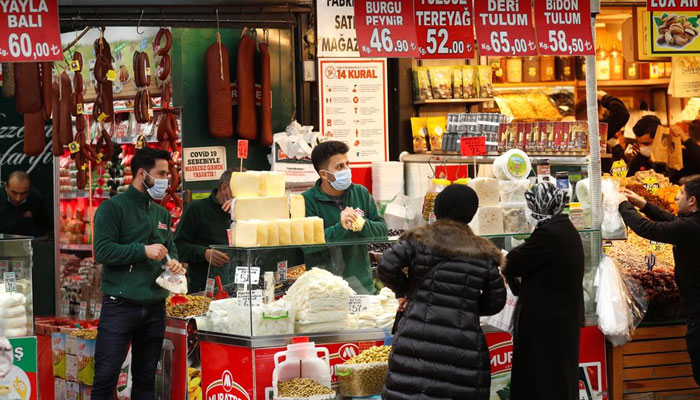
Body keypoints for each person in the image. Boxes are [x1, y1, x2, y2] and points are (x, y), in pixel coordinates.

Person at [378, 184, 505, 400]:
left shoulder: (418, 239)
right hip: (463, 347)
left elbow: (386, 265)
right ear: (471, 213)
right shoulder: (483, 252)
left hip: (415, 338)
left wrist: (406, 290)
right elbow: (496, 301)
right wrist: (468, 306)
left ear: (438, 208)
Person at [92, 147, 185, 400]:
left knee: (146, 378)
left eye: (168, 174)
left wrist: (174, 263)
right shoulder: (112, 209)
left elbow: (171, 249)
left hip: (155, 306)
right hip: (120, 306)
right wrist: (142, 251)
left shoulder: (162, 213)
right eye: (161, 174)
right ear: (142, 174)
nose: (167, 180)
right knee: (105, 376)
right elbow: (102, 251)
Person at [503, 182, 584, 400]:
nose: (526, 211)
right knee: (556, 379)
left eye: (528, 205)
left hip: (548, 327)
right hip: (558, 323)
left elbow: (511, 263)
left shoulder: (549, 234)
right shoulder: (562, 228)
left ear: (539, 206)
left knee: (543, 382)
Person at [618, 175, 700, 385]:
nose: (675, 197)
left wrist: (622, 206)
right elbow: (673, 221)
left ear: (692, 201)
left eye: (681, 194)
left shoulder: (691, 228)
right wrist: (643, 204)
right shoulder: (692, 224)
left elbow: (647, 229)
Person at [302, 141, 388, 294]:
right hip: (323, 291)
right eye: (340, 167)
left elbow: (382, 232)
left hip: (361, 289)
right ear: (324, 174)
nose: (347, 170)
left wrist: (362, 224)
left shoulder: (360, 192)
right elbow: (308, 245)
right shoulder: (306, 201)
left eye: (347, 164)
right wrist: (340, 228)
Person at [175, 169, 235, 293]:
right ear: (224, 189)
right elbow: (177, 247)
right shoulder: (197, 209)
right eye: (241, 191)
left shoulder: (249, 212)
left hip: (243, 289)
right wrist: (204, 253)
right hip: (205, 291)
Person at [575, 91, 630, 161]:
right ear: (595, 114)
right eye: (601, 113)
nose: (602, 118)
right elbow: (621, 113)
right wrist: (604, 96)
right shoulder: (595, 130)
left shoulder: (574, 131)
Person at [0, 171, 50, 236]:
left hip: (28, 243)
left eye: (23, 193)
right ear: (6, 187)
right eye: (14, 193)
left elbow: (45, 226)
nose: (18, 198)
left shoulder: (35, 197)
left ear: (29, 189)